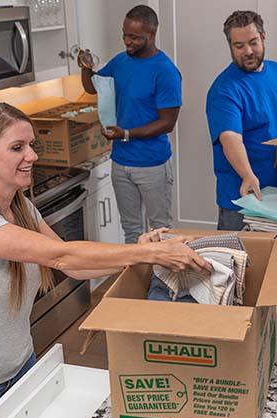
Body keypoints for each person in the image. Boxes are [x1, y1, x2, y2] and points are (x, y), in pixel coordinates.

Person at [0, 102, 210, 418]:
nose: (31, 155)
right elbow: (61, 256)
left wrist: (142, 257)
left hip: (20, 367)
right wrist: (146, 252)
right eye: (17, 147)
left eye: (31, 145)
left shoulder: (21, 207)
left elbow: (75, 267)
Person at [78, 5, 182, 244]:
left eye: (134, 37)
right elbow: (92, 86)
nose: (127, 41)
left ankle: (163, 283)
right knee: (131, 231)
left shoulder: (166, 71)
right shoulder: (120, 62)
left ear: (152, 35)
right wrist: (86, 68)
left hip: (152, 164)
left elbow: (167, 123)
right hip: (121, 163)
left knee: (161, 231)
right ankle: (137, 281)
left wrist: (126, 133)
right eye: (125, 34)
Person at [206, 10, 277, 231]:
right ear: (230, 46)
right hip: (245, 198)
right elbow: (230, 137)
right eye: (239, 46)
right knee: (236, 261)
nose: (248, 51)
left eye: (253, 42)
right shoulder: (224, 90)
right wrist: (247, 175)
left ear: (263, 37)